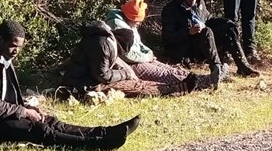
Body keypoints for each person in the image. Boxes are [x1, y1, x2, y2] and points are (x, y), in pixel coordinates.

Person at [0, 20, 140, 150]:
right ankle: (95, 144)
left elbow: (4, 97)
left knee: (48, 120)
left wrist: (26, 108)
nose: (16, 51)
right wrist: (23, 112)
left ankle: (104, 133)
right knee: (39, 130)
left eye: (19, 47)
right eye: (13, 46)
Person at [160, 0, 259, 88]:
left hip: (205, 41)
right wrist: (188, 32)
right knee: (207, 31)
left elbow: (208, 20)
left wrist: (224, 23)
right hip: (187, 47)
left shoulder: (199, 4)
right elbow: (168, 38)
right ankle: (216, 69)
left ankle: (243, 66)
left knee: (229, 26)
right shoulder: (171, 10)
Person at [59, 20, 194, 98]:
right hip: (83, 84)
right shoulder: (103, 45)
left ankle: (173, 86)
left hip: (83, 79)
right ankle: (170, 90)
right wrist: (125, 74)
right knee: (135, 86)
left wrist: (126, 71)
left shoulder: (103, 41)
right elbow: (102, 75)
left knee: (136, 82)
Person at [103, 0, 200, 90]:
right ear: (132, 17)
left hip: (140, 58)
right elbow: (126, 55)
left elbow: (139, 44)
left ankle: (200, 78)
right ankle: (198, 83)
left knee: (168, 69)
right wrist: (146, 57)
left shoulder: (129, 22)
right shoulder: (117, 26)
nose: (139, 23)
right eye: (138, 21)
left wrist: (149, 53)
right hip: (130, 63)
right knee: (163, 74)